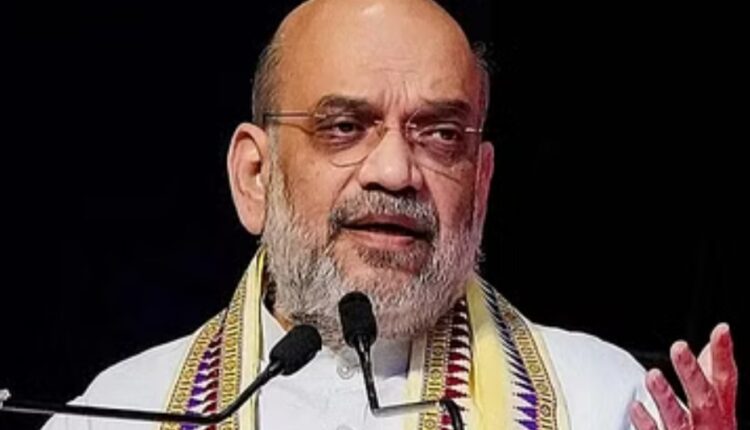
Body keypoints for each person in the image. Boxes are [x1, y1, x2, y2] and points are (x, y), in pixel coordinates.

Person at [41, 0, 737, 429]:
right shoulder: (119, 414)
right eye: (345, 127)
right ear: (255, 177)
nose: (396, 171)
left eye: (441, 134)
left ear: (482, 185)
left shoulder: (608, 403)